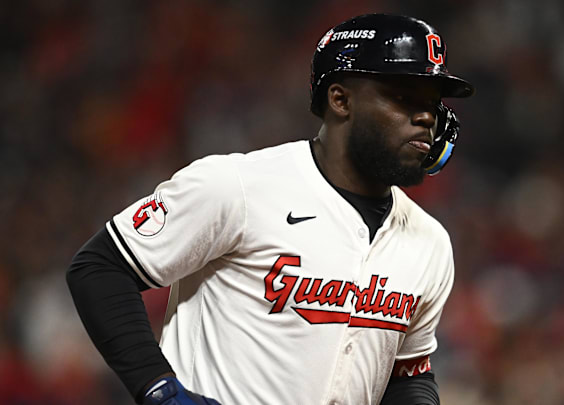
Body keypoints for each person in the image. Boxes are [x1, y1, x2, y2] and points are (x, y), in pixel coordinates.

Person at [67, 13, 474, 405]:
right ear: (340, 100)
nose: (425, 117)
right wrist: (159, 389)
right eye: (404, 97)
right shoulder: (238, 186)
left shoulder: (430, 242)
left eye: (432, 102)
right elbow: (100, 268)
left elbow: (408, 373)